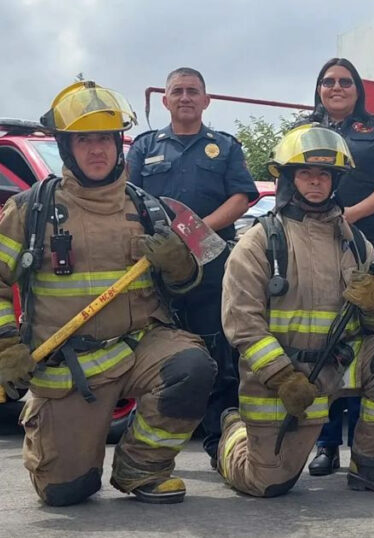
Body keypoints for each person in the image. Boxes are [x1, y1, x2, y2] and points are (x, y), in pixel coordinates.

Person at [0, 81, 216, 506]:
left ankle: (142, 467)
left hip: (140, 347)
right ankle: (60, 439)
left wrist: (179, 267)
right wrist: (5, 344)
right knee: (67, 492)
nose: (96, 150)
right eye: (84, 140)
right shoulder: (31, 210)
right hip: (69, 365)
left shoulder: (145, 208)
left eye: (105, 139)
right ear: (66, 147)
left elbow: (181, 286)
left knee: (192, 367)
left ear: (119, 144)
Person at [217, 124, 374, 497]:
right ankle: (233, 434)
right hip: (283, 376)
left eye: (324, 174)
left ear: (335, 180)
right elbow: (242, 323)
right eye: (306, 173)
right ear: (289, 179)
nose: (315, 182)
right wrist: (282, 377)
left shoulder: (354, 241)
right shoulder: (261, 241)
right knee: (267, 484)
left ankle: (373, 464)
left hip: (340, 364)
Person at [127, 67, 258, 468]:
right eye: (177, 91)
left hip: (212, 267)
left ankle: (221, 446)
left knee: (219, 355)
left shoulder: (225, 146)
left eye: (193, 91)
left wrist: (195, 230)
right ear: (165, 101)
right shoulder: (144, 146)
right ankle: (150, 452)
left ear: (206, 100)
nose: (185, 97)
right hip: (156, 271)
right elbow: (127, 198)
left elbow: (242, 197)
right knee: (153, 354)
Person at [301, 58, 374, 476]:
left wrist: (351, 214)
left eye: (345, 81)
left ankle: (369, 449)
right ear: (318, 88)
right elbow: (285, 187)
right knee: (324, 340)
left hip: (372, 240)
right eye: (328, 81)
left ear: (357, 90)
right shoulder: (303, 131)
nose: (336, 87)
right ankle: (325, 445)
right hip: (315, 243)